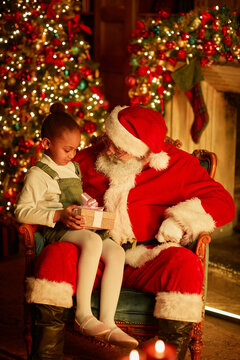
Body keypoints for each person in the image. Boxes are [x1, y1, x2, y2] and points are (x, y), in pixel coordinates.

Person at [21, 105, 235, 360]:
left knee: (186, 264)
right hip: (96, 255)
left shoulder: (179, 165)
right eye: (108, 140)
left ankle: (168, 355)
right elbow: (49, 178)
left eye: (118, 147)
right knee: (57, 255)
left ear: (142, 150)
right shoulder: (87, 158)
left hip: (146, 256)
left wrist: (180, 221)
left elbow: (223, 203)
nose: (107, 149)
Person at [15, 102, 139, 357]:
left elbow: (74, 194)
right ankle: (83, 314)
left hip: (80, 222)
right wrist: (58, 214)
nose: (73, 155)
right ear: (46, 144)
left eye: (75, 149)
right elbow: (22, 211)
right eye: (67, 149)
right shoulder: (37, 174)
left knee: (115, 252)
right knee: (92, 243)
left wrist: (88, 207)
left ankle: (107, 320)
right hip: (57, 229)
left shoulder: (71, 166)